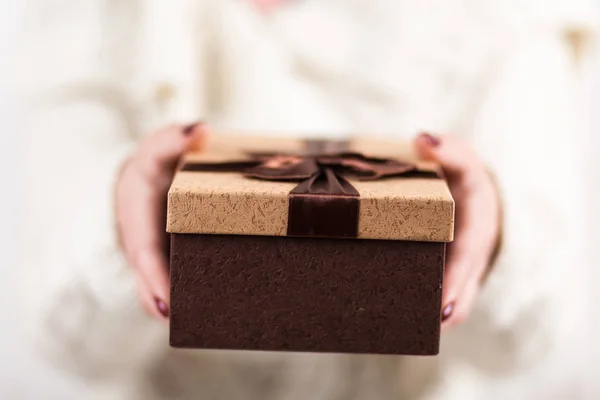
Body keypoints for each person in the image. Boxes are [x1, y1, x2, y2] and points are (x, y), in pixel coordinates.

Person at [17, 0, 597, 399]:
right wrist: (117, 234)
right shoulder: (95, 19)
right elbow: (61, 339)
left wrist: (493, 245)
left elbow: (532, 341)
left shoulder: (499, 20)